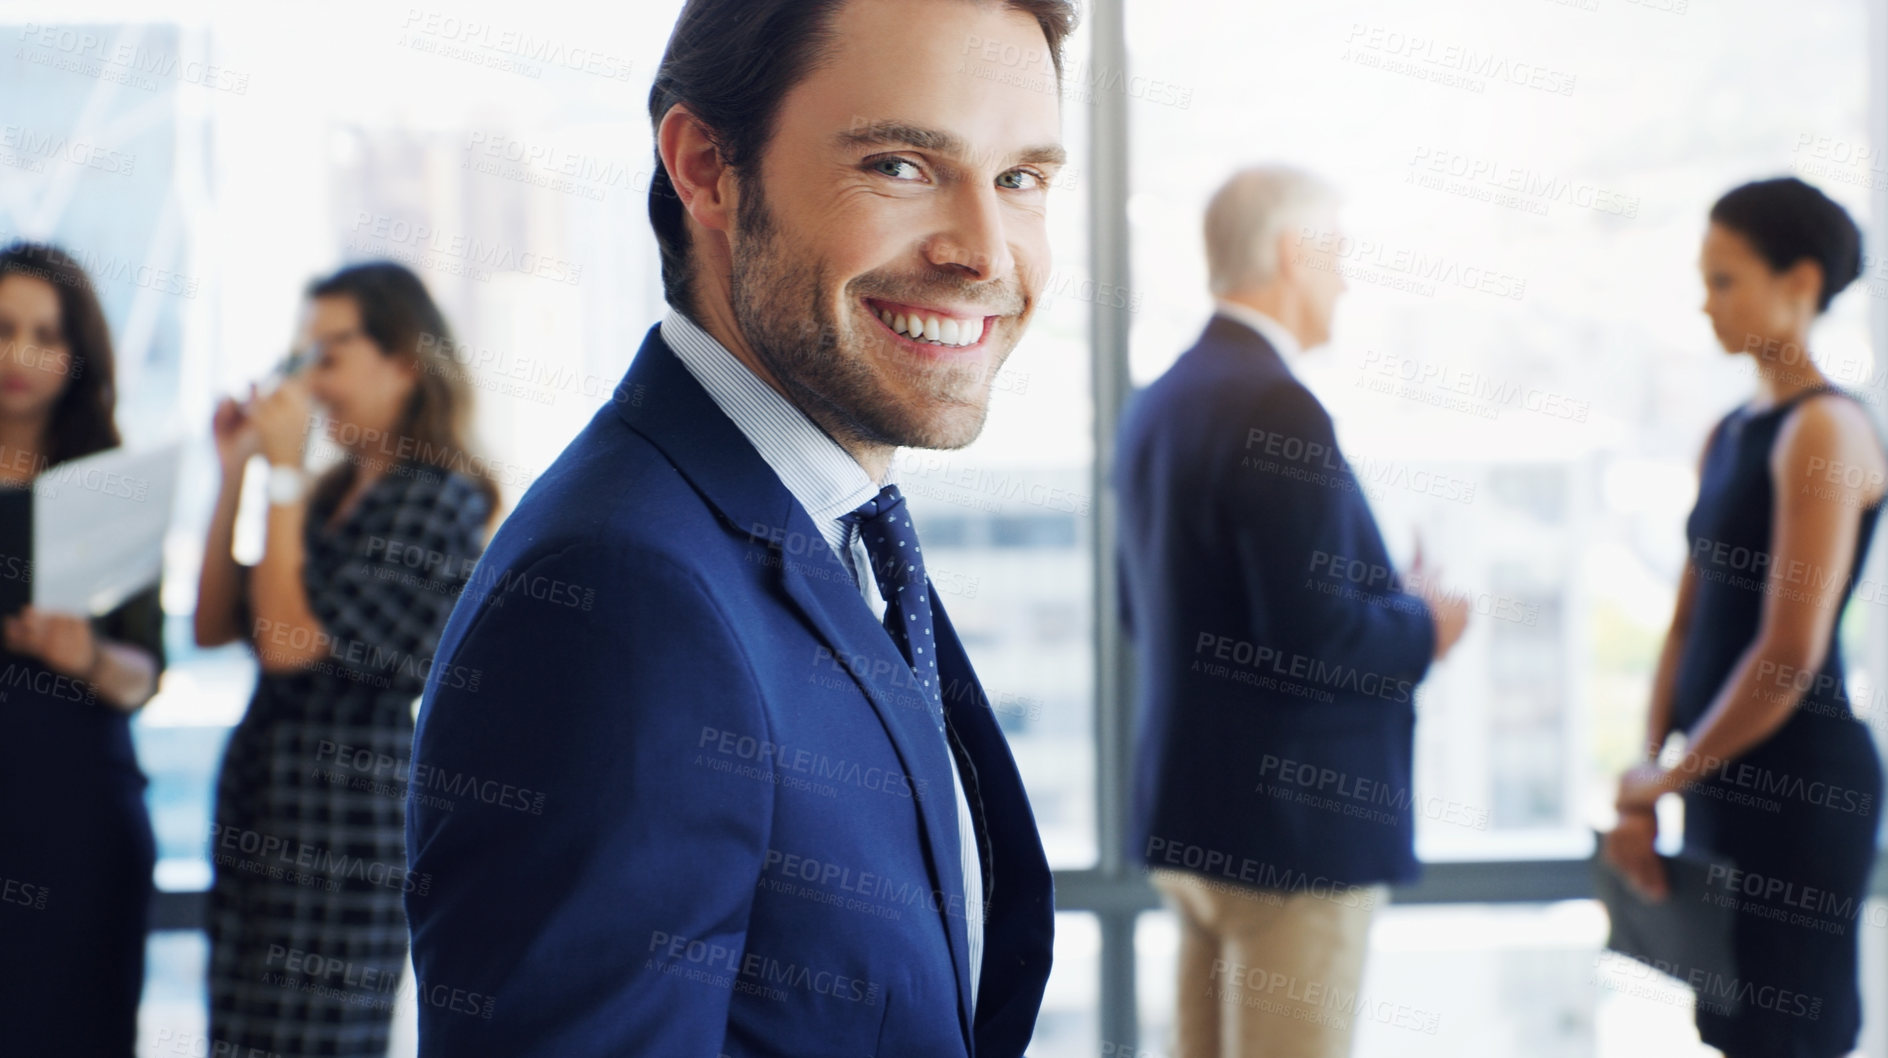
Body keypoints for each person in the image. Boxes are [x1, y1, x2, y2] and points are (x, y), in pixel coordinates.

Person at [403, 0, 1072, 1054]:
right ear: (707, 167)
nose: (984, 251)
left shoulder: (828, 523)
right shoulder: (623, 593)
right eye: (900, 164)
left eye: (1021, 179)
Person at [1114, 167, 1470, 1058]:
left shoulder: (1158, 403)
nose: (1346, 280)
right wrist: (1429, 624)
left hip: (1195, 825)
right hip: (1292, 842)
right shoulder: (1278, 406)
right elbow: (1316, 641)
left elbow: (1143, 614)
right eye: (1338, 256)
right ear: (1290, 254)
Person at [1604, 177, 1882, 1058]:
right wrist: (1651, 772)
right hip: (1724, 777)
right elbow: (1689, 626)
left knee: (1786, 1029)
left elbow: (1787, 655)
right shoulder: (1728, 431)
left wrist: (1673, 778)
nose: (1706, 304)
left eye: (1725, 280)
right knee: (1730, 1025)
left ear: (1798, 283)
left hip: (1799, 785)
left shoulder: (1825, 429)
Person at [195, 261, 495, 1055]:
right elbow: (213, 624)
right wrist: (238, 474)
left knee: (313, 1039)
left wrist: (286, 471)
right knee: (237, 1032)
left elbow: (290, 646)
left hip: (343, 814)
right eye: (302, 356)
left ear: (403, 359)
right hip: (264, 792)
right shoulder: (329, 497)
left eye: (328, 354)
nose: (309, 381)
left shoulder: (440, 497)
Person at [0, 241, 165, 1056]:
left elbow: (145, 672)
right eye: (1, 328)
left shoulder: (114, 487)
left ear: (77, 353)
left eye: (45, 333)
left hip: (77, 824)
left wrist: (86, 658)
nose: (19, 354)